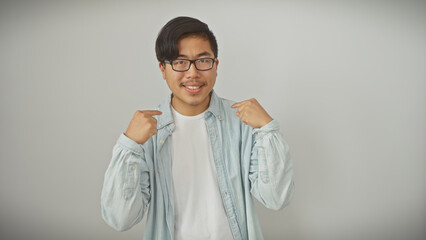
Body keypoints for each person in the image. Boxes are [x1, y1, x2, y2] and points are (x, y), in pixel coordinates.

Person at [101, 16, 295, 240]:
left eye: (203, 61)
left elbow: (276, 199)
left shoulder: (243, 123)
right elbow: (120, 219)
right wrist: (130, 145)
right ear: (163, 69)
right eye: (180, 62)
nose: (192, 73)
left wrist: (267, 129)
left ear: (216, 66)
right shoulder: (146, 133)